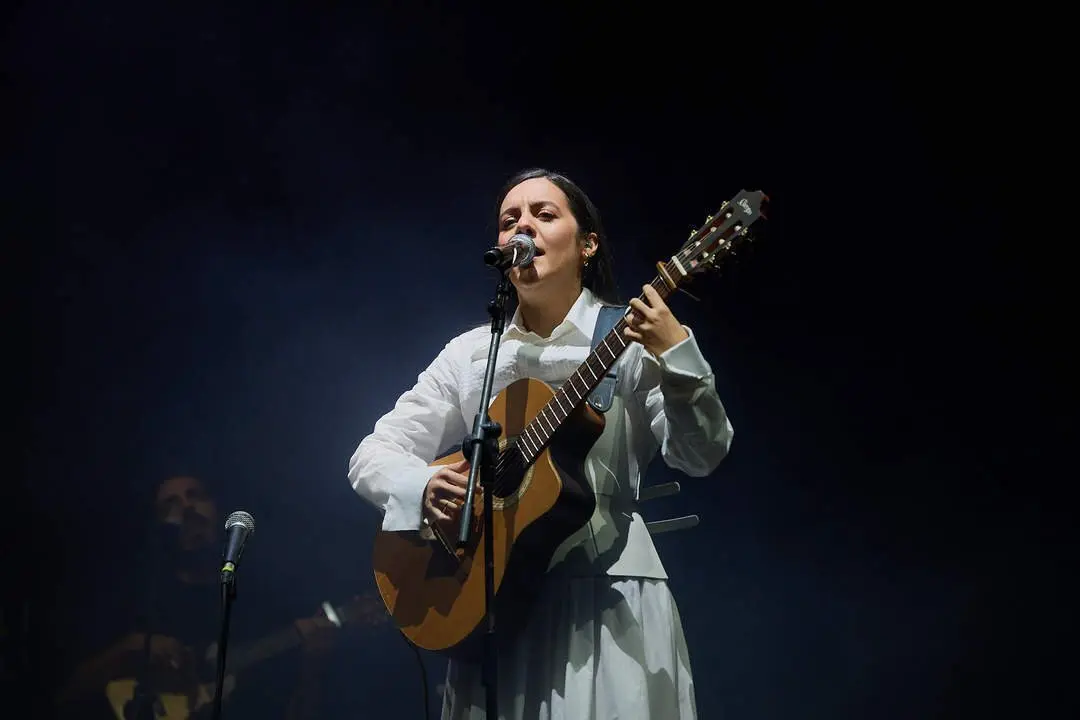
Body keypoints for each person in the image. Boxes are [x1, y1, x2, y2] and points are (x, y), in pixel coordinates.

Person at [348, 167, 734, 719]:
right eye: (510, 220)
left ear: (587, 244)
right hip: (488, 605)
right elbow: (372, 454)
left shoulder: (631, 336)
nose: (521, 227)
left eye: (543, 215)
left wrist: (678, 357)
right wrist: (425, 483)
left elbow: (701, 455)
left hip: (607, 603)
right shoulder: (472, 354)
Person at [55, 475, 339, 720]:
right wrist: (132, 649)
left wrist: (314, 667)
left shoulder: (261, 600)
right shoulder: (136, 598)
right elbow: (64, 694)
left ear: (216, 510)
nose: (188, 507)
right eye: (172, 504)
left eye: (196, 496)